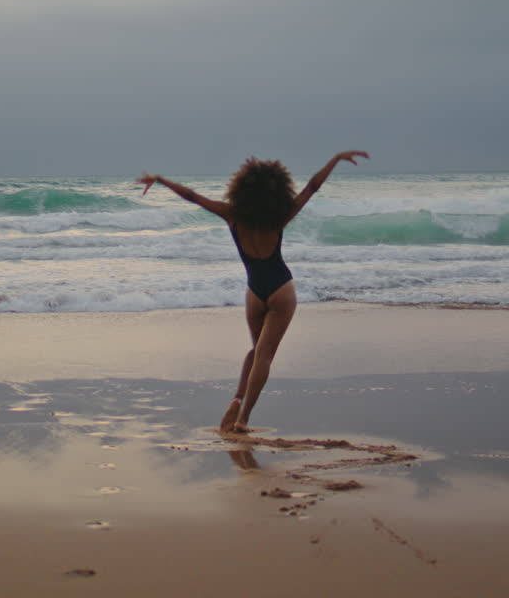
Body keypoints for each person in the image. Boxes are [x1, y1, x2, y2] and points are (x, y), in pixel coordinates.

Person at [137, 150, 368, 433]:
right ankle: (243, 418)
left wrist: (161, 180)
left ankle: (237, 399)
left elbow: (193, 197)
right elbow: (312, 187)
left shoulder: (231, 215)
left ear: (241, 189)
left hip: (253, 292)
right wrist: (335, 159)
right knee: (264, 356)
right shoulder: (279, 217)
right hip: (281, 290)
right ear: (277, 191)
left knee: (255, 350)